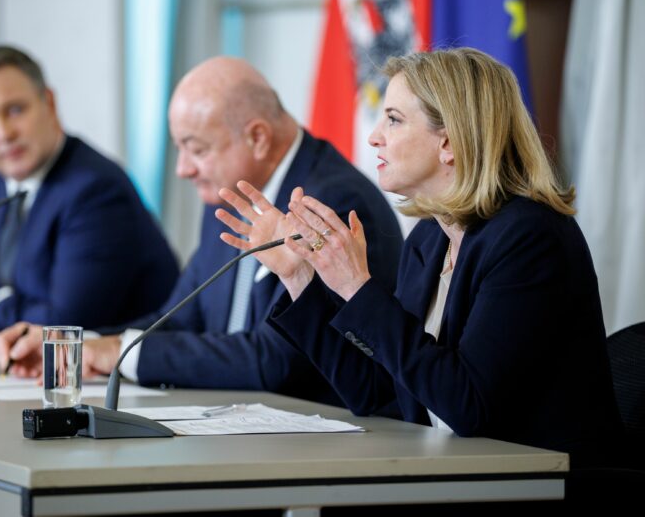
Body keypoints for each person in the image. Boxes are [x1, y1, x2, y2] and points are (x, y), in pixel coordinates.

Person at [218, 48, 621, 466]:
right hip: (453, 477)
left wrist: (357, 286)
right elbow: (380, 395)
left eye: (393, 119)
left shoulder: (530, 238)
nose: (375, 136)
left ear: (448, 142)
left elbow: (469, 407)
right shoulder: (429, 239)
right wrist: (299, 277)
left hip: (539, 489)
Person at [0, 56, 403, 404]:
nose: (183, 169)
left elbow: (279, 360)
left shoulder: (328, 202)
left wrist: (117, 352)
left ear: (257, 137)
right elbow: (176, 319)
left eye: (197, 149)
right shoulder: (231, 195)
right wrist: (76, 344)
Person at [0, 45, 179, 350]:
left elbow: (68, 321)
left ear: (49, 102)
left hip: (123, 386)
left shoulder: (95, 189)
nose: (3, 133)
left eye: (15, 110)